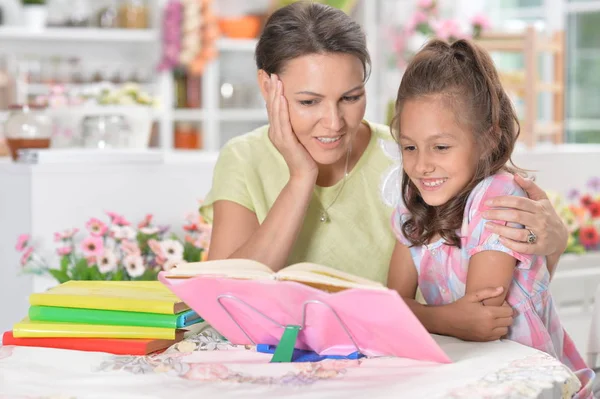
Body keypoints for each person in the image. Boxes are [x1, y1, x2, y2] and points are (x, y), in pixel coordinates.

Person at [200, 2, 569, 343]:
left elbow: (508, 295)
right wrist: (301, 177)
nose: (333, 123)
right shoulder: (244, 158)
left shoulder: (406, 158)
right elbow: (221, 301)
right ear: (268, 87)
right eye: (309, 101)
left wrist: (555, 243)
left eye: (350, 97)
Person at [386, 39, 594, 397]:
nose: (421, 164)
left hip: (526, 382)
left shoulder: (498, 197)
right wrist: (443, 318)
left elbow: (484, 319)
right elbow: (390, 309)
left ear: (486, 140)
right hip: (463, 373)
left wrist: (420, 315)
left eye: (441, 147)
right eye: (409, 147)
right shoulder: (413, 208)